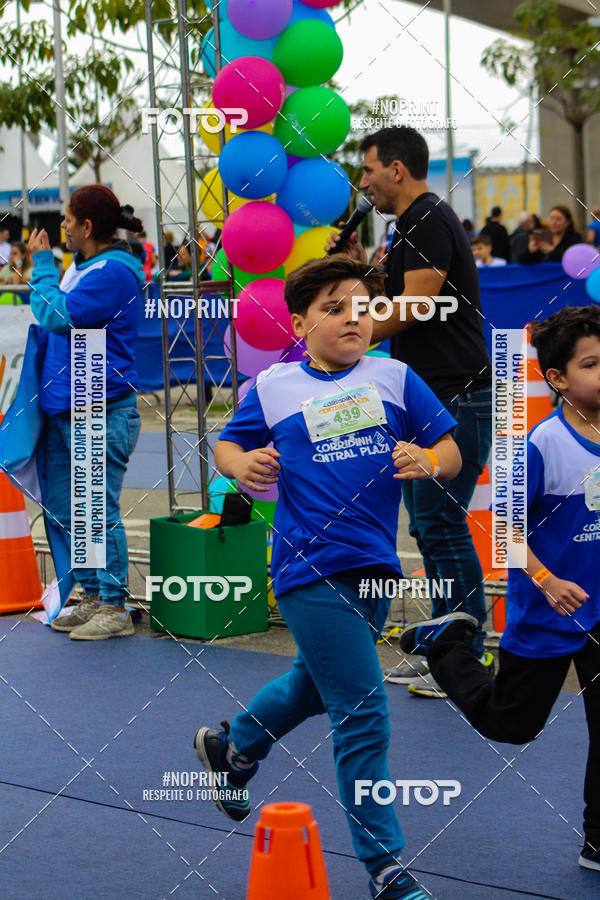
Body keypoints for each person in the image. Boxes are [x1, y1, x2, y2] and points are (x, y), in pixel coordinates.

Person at [195, 255, 462, 900]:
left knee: (316, 684)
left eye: (365, 307)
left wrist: (427, 459)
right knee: (363, 712)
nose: (353, 318)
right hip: (307, 567)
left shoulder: (396, 377)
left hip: (376, 569)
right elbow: (226, 444)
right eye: (333, 307)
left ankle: (235, 744)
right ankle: (386, 868)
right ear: (300, 323)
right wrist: (244, 463)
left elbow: (451, 453)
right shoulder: (276, 385)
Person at [398, 305, 600, 875]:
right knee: (511, 725)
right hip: (547, 609)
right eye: (591, 364)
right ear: (558, 379)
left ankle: (598, 842)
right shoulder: (539, 447)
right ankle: (445, 646)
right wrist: (546, 578)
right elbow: (505, 529)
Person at [329, 126, 493, 697]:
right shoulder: (409, 226)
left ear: (396, 169)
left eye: (369, 170)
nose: (364, 182)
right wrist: (350, 273)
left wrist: (352, 330)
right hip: (433, 396)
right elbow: (392, 292)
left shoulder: (426, 217)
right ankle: (445, 647)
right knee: (428, 526)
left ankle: (464, 653)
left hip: (456, 394)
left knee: (441, 524)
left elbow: (417, 304)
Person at [27, 184, 144, 640]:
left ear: (87, 226)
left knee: (95, 509)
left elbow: (58, 316)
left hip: (100, 406)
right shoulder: (87, 266)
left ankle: (114, 606)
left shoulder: (113, 272)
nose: (62, 228)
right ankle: (93, 594)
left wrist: (40, 267)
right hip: (66, 408)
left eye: (67, 221)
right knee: (67, 510)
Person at [517, 205, 581, 263]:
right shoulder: (542, 236)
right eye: (551, 218)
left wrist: (552, 251)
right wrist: (530, 250)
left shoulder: (575, 238)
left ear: (567, 222)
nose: (554, 222)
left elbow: (576, 259)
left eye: (558, 219)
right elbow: (521, 260)